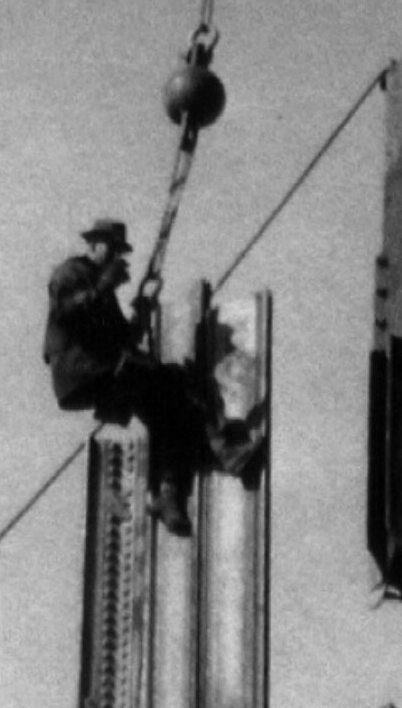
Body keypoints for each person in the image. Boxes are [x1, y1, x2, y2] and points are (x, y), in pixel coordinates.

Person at [43, 219, 258, 534]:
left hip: (102, 374)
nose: (117, 256)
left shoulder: (100, 289)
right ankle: (225, 450)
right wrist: (106, 284)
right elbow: (67, 311)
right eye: (112, 248)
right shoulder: (72, 272)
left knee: (167, 413)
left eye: (119, 251)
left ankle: (167, 495)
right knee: (178, 380)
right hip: (84, 371)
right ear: (95, 244)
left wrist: (144, 302)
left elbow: (123, 338)